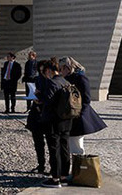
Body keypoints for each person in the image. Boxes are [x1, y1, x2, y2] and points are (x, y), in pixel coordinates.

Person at [58, 56, 106, 154]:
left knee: (76, 144)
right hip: (69, 114)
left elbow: (86, 98)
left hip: (77, 114)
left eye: (61, 69)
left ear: (67, 67)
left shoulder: (80, 78)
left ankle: (79, 166)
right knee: (70, 143)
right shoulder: (65, 78)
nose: (59, 71)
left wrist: (80, 112)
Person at [39, 58, 73, 188]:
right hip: (66, 120)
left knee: (54, 149)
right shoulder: (65, 82)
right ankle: (64, 176)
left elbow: (48, 101)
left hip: (53, 121)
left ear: (48, 70)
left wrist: (39, 99)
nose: (44, 74)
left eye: (44, 72)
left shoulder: (52, 83)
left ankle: (55, 178)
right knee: (65, 148)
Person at [25, 60, 49, 175]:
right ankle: (41, 164)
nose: (41, 72)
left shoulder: (51, 81)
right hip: (36, 114)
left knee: (51, 143)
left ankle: (53, 167)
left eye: (43, 70)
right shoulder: (37, 79)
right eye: (40, 70)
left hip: (47, 114)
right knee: (38, 142)